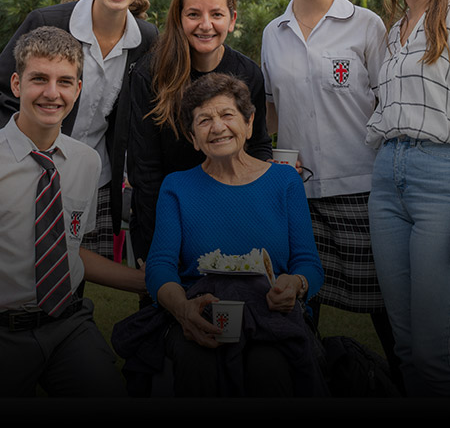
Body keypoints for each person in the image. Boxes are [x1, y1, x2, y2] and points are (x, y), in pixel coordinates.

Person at [113, 73, 327, 397]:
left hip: (271, 314)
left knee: (268, 366)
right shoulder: (177, 186)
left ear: (249, 122)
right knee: (197, 359)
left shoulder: (285, 181)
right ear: (193, 136)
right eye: (204, 120)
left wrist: (296, 285)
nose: (217, 127)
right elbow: (160, 267)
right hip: (198, 311)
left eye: (227, 115)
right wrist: (183, 309)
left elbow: (308, 263)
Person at [260, 0, 403, 388]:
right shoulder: (271, 33)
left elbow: (390, 101)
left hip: (363, 186)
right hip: (297, 193)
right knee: (302, 307)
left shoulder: (366, 25)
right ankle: (308, 385)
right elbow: (272, 111)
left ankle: (410, 382)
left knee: (386, 306)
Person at [0, 26, 147, 397]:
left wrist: (148, 283)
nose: (52, 93)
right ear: (16, 84)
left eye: (65, 81)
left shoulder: (86, 161)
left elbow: (67, 248)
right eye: (39, 79)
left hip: (67, 323)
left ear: (78, 89)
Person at [0, 0, 158, 260]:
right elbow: (4, 90)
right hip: (33, 170)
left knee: (76, 274)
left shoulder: (146, 39)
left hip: (96, 177)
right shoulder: (48, 21)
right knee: (20, 266)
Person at [127, 0, 272, 264]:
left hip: (233, 216)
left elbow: (257, 146)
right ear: (179, 18)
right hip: (167, 216)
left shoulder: (248, 73)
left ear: (232, 20)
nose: (205, 25)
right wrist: (164, 242)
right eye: (194, 14)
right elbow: (145, 169)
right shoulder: (151, 74)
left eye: (216, 14)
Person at [366, 0, 450, 397]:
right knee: (404, 343)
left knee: (436, 348)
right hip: (387, 178)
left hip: (439, 176)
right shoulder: (393, 29)